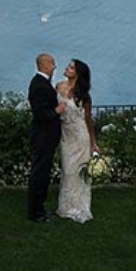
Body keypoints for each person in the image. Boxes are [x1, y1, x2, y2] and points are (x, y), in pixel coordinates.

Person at [56, 58, 100, 223]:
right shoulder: (58, 86)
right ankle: (66, 206)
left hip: (80, 136)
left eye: (71, 67)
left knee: (77, 173)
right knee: (67, 170)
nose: (67, 68)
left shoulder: (83, 96)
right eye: (68, 66)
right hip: (65, 134)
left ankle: (77, 207)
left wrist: (93, 143)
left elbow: (88, 120)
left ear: (78, 73)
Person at [27, 52, 64, 223]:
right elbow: (40, 113)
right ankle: (36, 212)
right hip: (43, 137)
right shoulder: (39, 85)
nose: (55, 66)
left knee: (43, 173)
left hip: (46, 137)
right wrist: (56, 111)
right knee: (40, 174)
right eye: (53, 63)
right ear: (45, 65)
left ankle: (39, 207)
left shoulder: (41, 83)